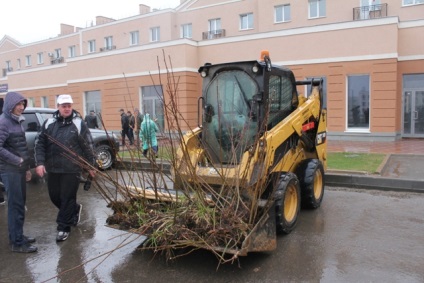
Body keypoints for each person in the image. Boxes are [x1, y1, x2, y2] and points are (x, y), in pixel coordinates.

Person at [35, 94, 96, 242]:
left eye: (69, 105)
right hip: (53, 168)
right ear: (58, 107)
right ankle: (74, 209)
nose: (67, 108)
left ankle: (63, 227)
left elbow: (88, 145)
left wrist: (91, 166)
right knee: (55, 196)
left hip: (72, 168)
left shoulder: (79, 123)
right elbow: (40, 143)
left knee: (67, 197)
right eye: (64, 106)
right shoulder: (49, 123)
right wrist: (40, 163)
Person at [0, 91, 37, 253]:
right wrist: (17, 161)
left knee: (20, 205)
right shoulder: (3, 122)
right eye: (18, 104)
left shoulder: (17, 122)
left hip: (19, 171)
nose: (21, 107)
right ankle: (17, 242)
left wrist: (26, 169)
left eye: (23, 104)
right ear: (10, 105)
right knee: (15, 207)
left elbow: (21, 147)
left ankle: (18, 235)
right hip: (10, 171)